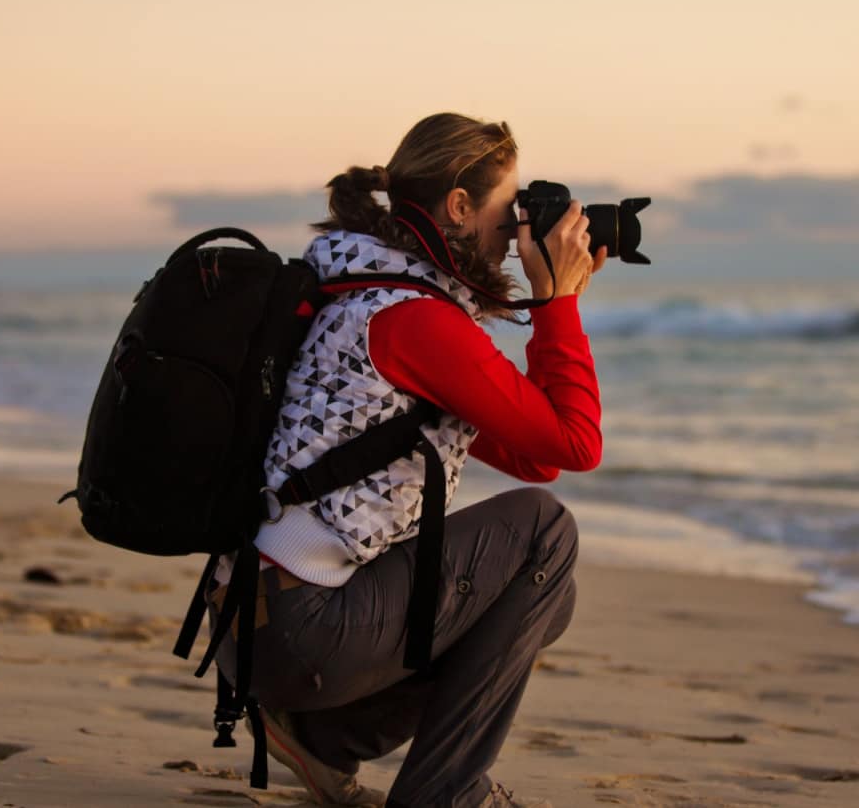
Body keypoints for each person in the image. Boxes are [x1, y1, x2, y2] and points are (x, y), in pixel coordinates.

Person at [209, 112, 604, 808]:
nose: (515, 236)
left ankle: (324, 740)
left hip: (259, 623)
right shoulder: (417, 318)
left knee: (546, 589)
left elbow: (534, 456)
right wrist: (557, 302)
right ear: (458, 206)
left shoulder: (357, 286)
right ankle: (443, 794)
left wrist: (555, 300)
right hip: (304, 630)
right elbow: (575, 445)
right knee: (546, 531)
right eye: (507, 210)